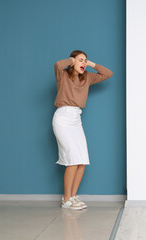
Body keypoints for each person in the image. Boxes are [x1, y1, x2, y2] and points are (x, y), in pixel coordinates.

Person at [53, 50, 113, 210]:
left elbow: (108, 73)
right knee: (72, 160)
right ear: (72, 61)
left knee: (82, 160)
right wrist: (71, 60)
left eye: (85, 60)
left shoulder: (87, 77)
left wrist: (90, 64)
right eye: (81, 60)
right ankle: (66, 199)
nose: (84, 63)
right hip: (63, 118)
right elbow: (58, 65)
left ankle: (73, 196)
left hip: (76, 119)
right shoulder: (63, 75)